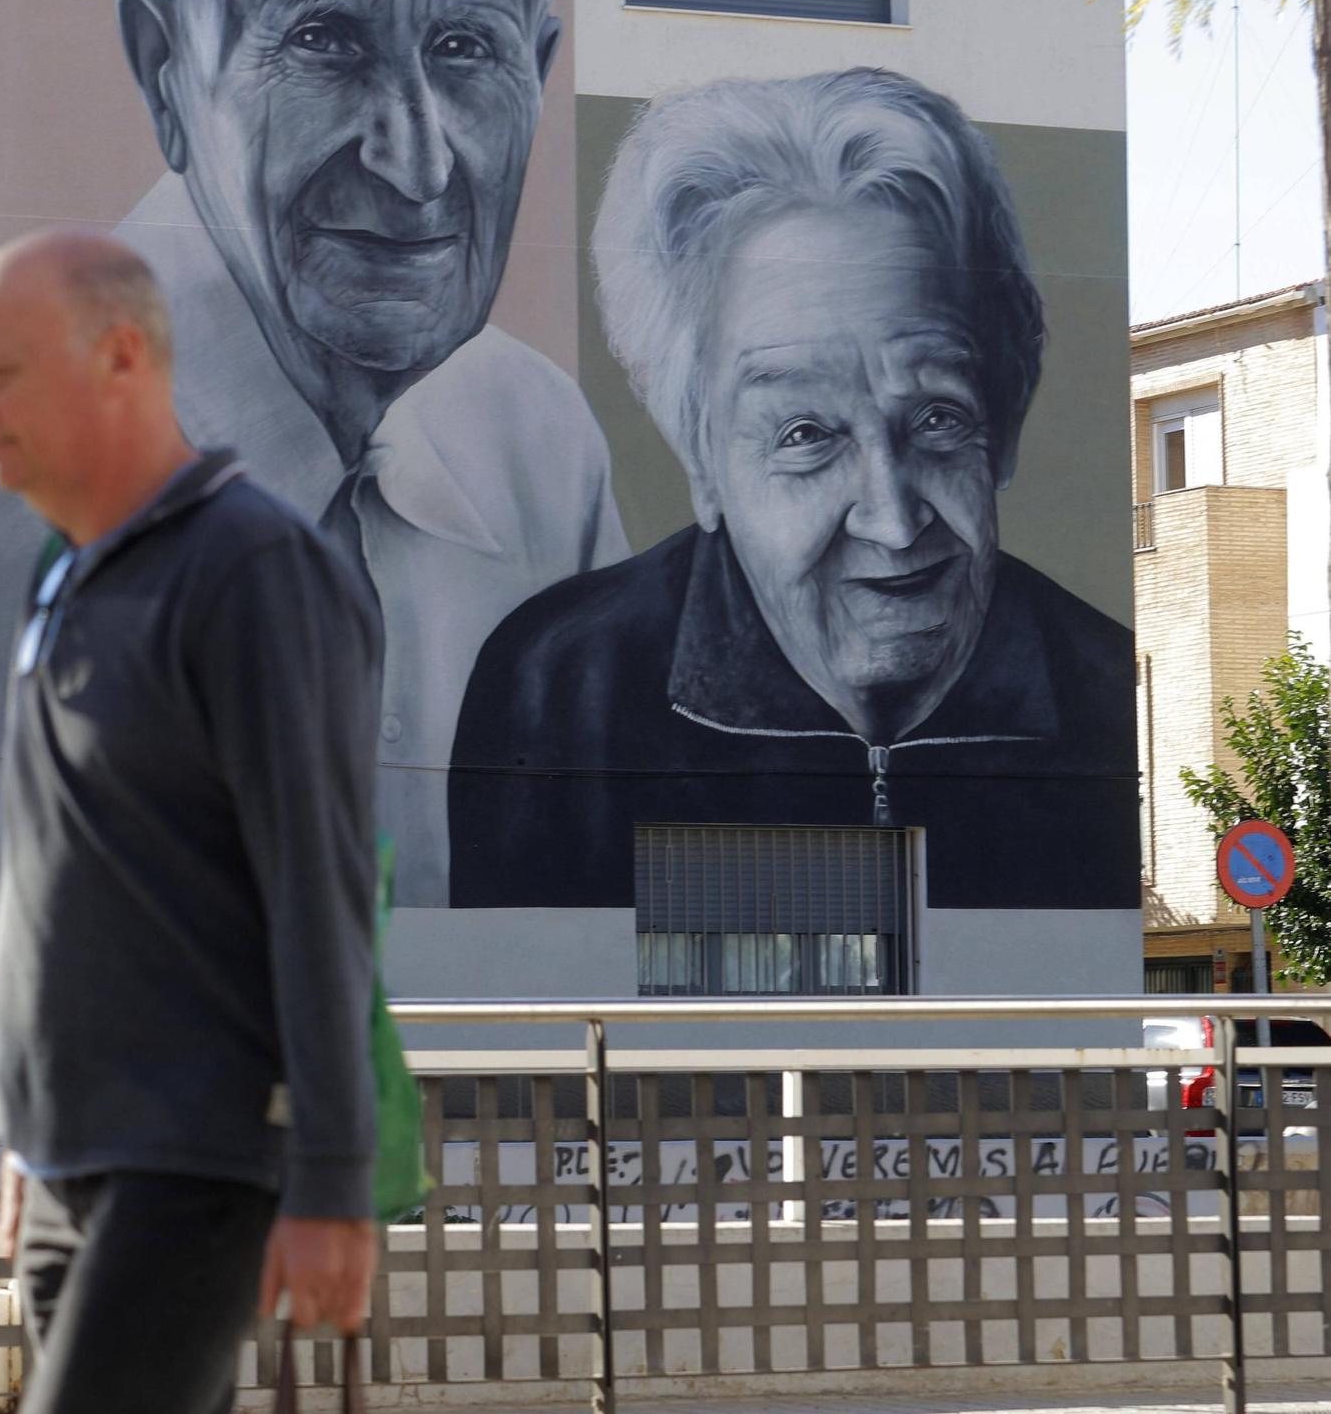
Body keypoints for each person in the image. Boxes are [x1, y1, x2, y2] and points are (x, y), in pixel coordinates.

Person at [0, 0, 626, 910]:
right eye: (326, 41)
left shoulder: (537, 439)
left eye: (466, 50)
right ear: (164, 71)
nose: (414, 164)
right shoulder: (9, 459)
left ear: (542, 69)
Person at [449, 69, 1139, 918]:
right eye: (806, 435)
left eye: (936, 418)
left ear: (1008, 416)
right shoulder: (560, 688)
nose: (891, 519)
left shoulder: (1104, 690)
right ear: (702, 459)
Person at [0, 229, 380, 1414]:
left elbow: (319, 883)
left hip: (190, 1158)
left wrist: (334, 1180)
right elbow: (53, 870)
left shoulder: (255, 571)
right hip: (66, 1160)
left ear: (121, 356)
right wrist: (27, 1133)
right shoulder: (67, 574)